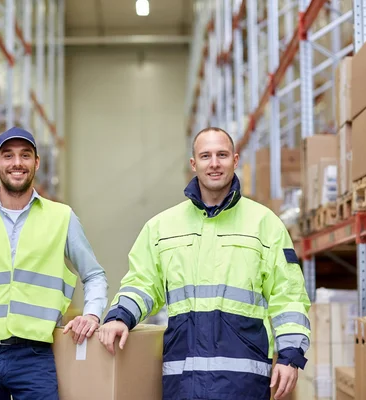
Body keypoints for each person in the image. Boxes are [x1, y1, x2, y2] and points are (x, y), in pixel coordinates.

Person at [98, 127, 311, 400]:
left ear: (235, 160)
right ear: (193, 163)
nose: (214, 163)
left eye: (221, 155)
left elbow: (289, 296)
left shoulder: (265, 224)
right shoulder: (162, 227)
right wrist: (119, 317)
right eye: (205, 155)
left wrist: (290, 356)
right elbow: (142, 283)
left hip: (243, 383)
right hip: (183, 381)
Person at [0, 127, 109, 399]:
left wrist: (92, 314)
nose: (17, 163)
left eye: (25, 155)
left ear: (36, 163)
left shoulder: (61, 217)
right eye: (8, 155)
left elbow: (95, 275)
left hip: (35, 355)